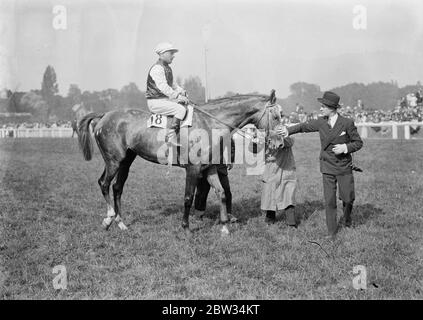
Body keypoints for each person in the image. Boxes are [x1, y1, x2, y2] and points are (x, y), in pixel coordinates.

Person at [279, 91, 363, 240]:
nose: (321, 108)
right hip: (327, 166)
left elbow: (358, 143)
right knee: (329, 200)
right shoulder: (320, 122)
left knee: (348, 198)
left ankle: (347, 218)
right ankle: (331, 232)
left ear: (332, 108)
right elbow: (303, 126)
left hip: (344, 166)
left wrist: (345, 148)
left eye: (323, 106)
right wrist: (287, 130)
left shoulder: (347, 123)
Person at [145, 42, 189, 146]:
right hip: (155, 102)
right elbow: (163, 87)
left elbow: (173, 86)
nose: (173, 56)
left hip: (164, 101)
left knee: (186, 107)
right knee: (180, 109)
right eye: (171, 53)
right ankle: (170, 136)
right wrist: (178, 96)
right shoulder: (157, 68)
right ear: (162, 54)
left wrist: (182, 91)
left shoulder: (167, 68)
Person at [261, 122, 297, 227]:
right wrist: (255, 141)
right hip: (271, 170)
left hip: (286, 169)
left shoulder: (287, 137)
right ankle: (270, 218)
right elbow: (254, 150)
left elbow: (287, 142)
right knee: (270, 193)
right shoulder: (265, 136)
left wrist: (277, 137)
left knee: (288, 196)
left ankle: (291, 222)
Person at [194, 139, 237, 222]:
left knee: (226, 189)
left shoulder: (222, 128)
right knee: (202, 190)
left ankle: (228, 213)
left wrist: (231, 159)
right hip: (204, 164)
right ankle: (198, 215)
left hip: (219, 164)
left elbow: (230, 141)